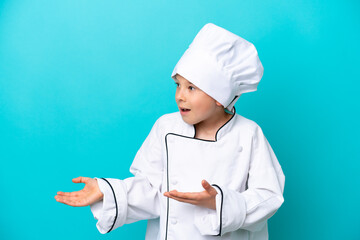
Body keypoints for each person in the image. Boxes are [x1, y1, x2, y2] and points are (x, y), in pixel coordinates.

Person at [55, 23, 285, 240]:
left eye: (191, 87)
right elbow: (152, 190)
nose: (180, 96)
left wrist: (221, 203)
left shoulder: (248, 134)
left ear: (219, 96)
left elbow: (268, 196)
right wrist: (107, 191)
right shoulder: (166, 127)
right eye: (178, 85)